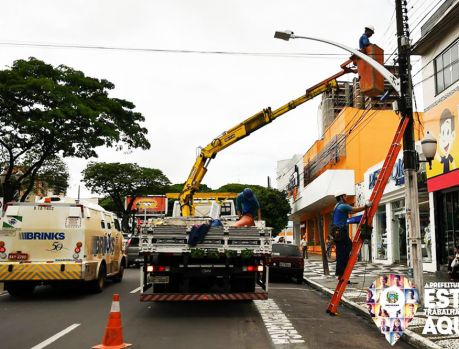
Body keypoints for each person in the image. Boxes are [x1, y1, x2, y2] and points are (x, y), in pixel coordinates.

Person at [331, 192, 370, 280]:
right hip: (340, 231)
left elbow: (351, 211)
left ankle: (341, 274)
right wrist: (366, 206)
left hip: (337, 232)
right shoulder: (342, 206)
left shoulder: (336, 206)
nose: (346, 197)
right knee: (347, 247)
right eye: (344, 196)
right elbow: (354, 209)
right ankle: (342, 272)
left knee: (341, 252)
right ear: (341, 197)